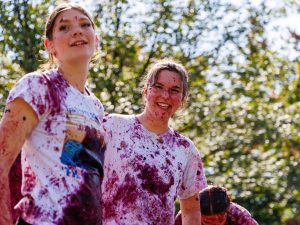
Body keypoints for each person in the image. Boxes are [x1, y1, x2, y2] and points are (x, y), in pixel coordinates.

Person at [0, 3, 105, 225]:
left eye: (84, 24)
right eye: (64, 27)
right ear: (50, 46)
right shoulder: (38, 86)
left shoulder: (95, 105)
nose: (77, 30)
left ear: (96, 40)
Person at [101, 59, 207, 225]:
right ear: (146, 91)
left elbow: (192, 211)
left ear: (182, 99)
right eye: (158, 87)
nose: (165, 95)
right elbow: (73, 162)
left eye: (174, 90)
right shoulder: (112, 126)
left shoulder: (185, 149)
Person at [175, 185, 259, 225]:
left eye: (219, 220)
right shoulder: (185, 216)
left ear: (227, 211)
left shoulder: (240, 216)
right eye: (208, 222)